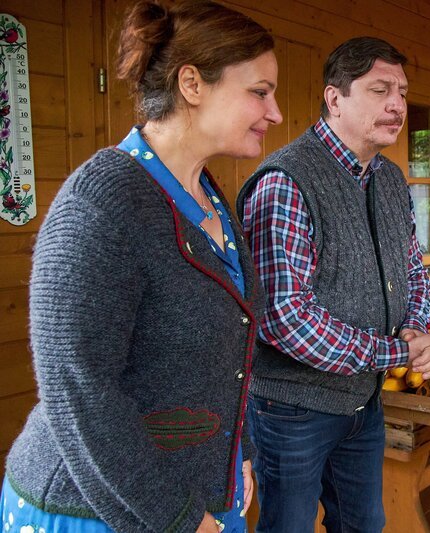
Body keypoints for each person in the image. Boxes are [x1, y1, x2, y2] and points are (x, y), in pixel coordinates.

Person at [0, 2, 282, 532]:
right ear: (192, 84)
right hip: (99, 510)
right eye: (259, 92)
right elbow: (78, 391)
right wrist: (176, 518)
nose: (275, 113)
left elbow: (225, 358)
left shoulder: (210, 199)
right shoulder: (101, 205)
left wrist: (234, 454)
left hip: (197, 501)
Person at [236, 36, 430, 532]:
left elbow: (414, 273)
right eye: (380, 90)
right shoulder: (286, 181)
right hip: (291, 410)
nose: (397, 104)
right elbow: (286, 320)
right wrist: (401, 354)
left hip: (362, 402)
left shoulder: (391, 179)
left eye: (402, 91)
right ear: (335, 98)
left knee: (362, 527)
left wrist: (415, 333)